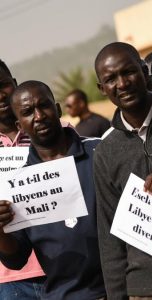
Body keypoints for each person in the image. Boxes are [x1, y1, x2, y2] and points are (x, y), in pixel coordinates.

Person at [94, 42, 152, 299]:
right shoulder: (105, 152)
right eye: (111, 79)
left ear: (145, 72)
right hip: (144, 288)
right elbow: (110, 238)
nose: (122, 84)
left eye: (128, 72)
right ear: (102, 89)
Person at [0, 80, 106, 299]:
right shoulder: (18, 182)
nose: (39, 116)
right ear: (20, 125)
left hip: (116, 289)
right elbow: (16, 258)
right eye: (28, 112)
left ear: (57, 109)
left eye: (44, 106)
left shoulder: (99, 152)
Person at [0, 60, 46, 299]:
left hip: (65, 266)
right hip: (10, 280)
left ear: (15, 84)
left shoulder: (58, 131)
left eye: (3, 85)